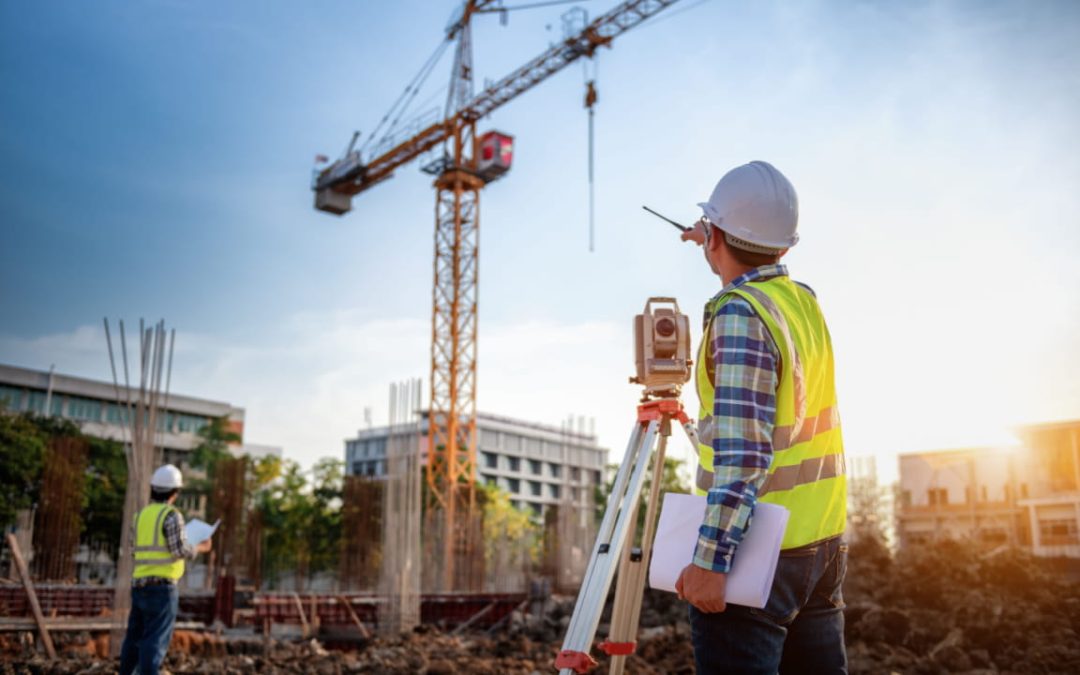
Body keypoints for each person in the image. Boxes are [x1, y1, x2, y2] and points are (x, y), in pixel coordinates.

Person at [675, 161, 848, 674]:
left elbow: (744, 452)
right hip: (822, 544)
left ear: (718, 237)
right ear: (786, 246)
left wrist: (709, 562)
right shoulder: (801, 302)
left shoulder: (739, 314)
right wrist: (715, 237)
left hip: (759, 557)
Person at [119, 464, 212, 675]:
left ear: (153, 489)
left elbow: (135, 551)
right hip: (162, 589)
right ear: (175, 492)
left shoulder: (141, 515)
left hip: (139, 585)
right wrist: (200, 546)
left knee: (134, 638)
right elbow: (179, 550)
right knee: (155, 640)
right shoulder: (171, 516)